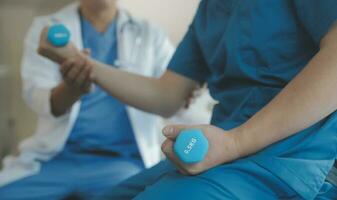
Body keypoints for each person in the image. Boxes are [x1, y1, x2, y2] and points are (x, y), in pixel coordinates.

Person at [35, 0, 337, 199]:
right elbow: (167, 94)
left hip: (298, 156)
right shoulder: (211, 8)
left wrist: (235, 142)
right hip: (229, 148)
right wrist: (78, 61)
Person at [0, 0, 213, 199]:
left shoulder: (150, 35)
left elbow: (175, 99)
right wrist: (71, 89)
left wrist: (187, 95)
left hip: (120, 162)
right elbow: (40, 100)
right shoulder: (46, 27)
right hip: (55, 160)